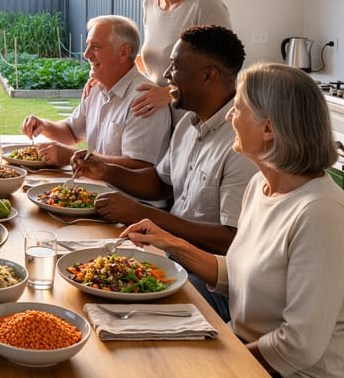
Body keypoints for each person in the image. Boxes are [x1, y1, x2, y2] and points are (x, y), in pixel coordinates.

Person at [120, 63, 344, 378]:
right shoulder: (261, 187)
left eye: (238, 108)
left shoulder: (321, 215)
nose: (227, 117)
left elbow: (299, 346)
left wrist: (219, 364)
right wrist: (168, 242)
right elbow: (237, 275)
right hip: (250, 351)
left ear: (268, 129)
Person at [75, 25, 257, 320]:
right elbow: (162, 184)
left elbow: (230, 239)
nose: (167, 75)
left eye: (176, 67)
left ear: (208, 75)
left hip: (212, 281)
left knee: (117, 313)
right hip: (168, 253)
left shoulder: (240, 142)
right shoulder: (187, 123)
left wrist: (144, 216)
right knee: (88, 278)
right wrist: (106, 170)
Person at [21, 15, 170, 169]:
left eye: (96, 47)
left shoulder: (146, 99)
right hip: (94, 187)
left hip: (121, 193)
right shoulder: (95, 89)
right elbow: (72, 132)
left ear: (124, 53)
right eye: (88, 46)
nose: (86, 54)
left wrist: (74, 157)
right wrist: (43, 126)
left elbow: (139, 168)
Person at [129, 0, 232, 119]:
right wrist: (106, 78)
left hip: (195, 120)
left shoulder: (205, 3)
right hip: (159, 120)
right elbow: (154, 62)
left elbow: (225, 71)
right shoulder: (150, 3)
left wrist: (169, 93)